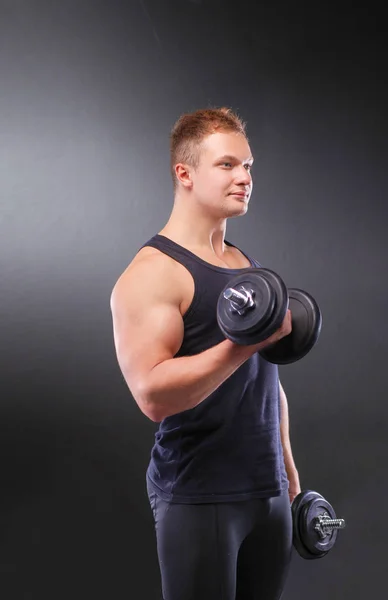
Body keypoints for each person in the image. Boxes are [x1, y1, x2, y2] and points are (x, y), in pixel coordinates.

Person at [110, 107, 301, 600]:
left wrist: (287, 466)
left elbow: (266, 379)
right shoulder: (155, 273)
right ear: (185, 173)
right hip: (201, 494)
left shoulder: (244, 262)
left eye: (249, 166)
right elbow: (153, 394)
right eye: (228, 165)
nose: (245, 178)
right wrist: (244, 345)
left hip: (269, 491)